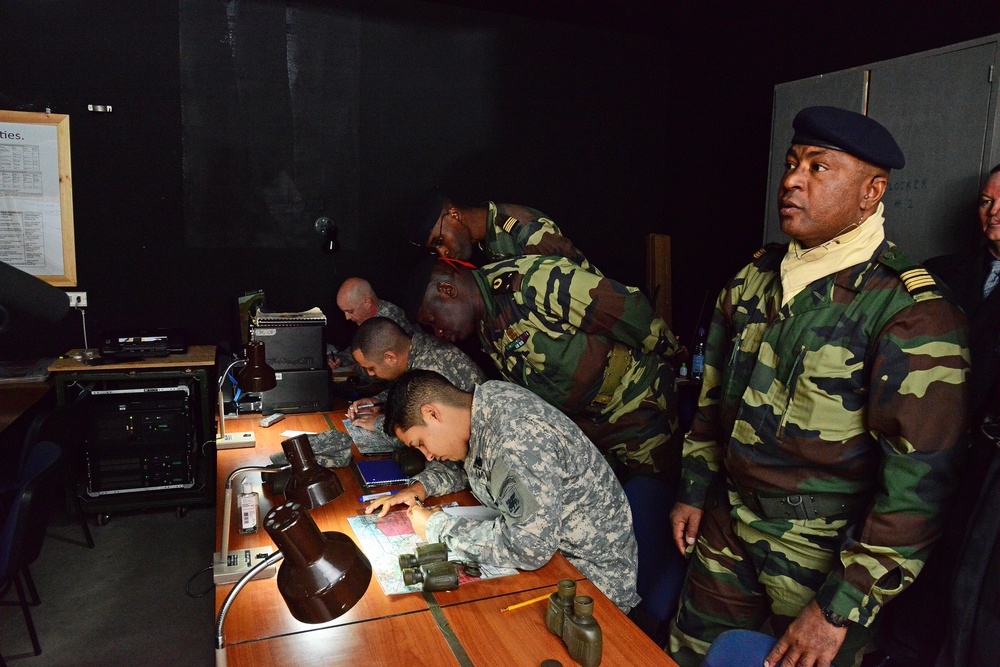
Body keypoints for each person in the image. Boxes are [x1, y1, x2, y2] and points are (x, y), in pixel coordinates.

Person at [667, 106, 970, 667]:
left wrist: (838, 609)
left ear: (871, 191)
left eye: (819, 168)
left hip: (823, 550)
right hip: (728, 522)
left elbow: (918, 489)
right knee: (690, 656)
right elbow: (711, 401)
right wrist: (692, 487)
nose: (791, 180)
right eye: (792, 163)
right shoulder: (753, 278)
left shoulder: (912, 313)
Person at [365, 369, 640, 612]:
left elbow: (528, 548)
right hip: (554, 559)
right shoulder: (483, 406)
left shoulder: (516, 436)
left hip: (589, 583)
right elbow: (475, 463)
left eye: (421, 442)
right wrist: (422, 486)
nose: (427, 455)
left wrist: (436, 527)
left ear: (432, 413)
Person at [407, 254, 681, 480]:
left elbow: (627, 310)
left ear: (447, 290)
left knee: (657, 506)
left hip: (635, 404)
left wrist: (673, 353)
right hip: (589, 428)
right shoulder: (483, 323)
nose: (438, 333)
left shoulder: (531, 283)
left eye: (433, 320)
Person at [924, 165, 1000, 666]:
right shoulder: (938, 274)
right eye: (986, 201)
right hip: (927, 455)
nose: (992, 212)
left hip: (987, 470)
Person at [344, 316, 487, 439]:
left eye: (371, 368)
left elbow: (423, 434)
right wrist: (378, 402)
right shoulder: (417, 347)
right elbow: (409, 395)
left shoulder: (429, 369)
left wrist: (378, 423)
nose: (370, 374)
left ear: (390, 358)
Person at [407, 190, 599, 273]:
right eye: (435, 250)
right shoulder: (488, 239)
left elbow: (589, 283)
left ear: (454, 215)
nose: (443, 253)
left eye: (439, 240)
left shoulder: (524, 232)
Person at [329, 277, 414, 370]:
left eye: (350, 311)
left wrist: (360, 369)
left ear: (367, 302)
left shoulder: (389, 323)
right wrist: (340, 359)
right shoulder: (370, 320)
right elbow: (364, 349)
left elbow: (385, 367)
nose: (347, 317)